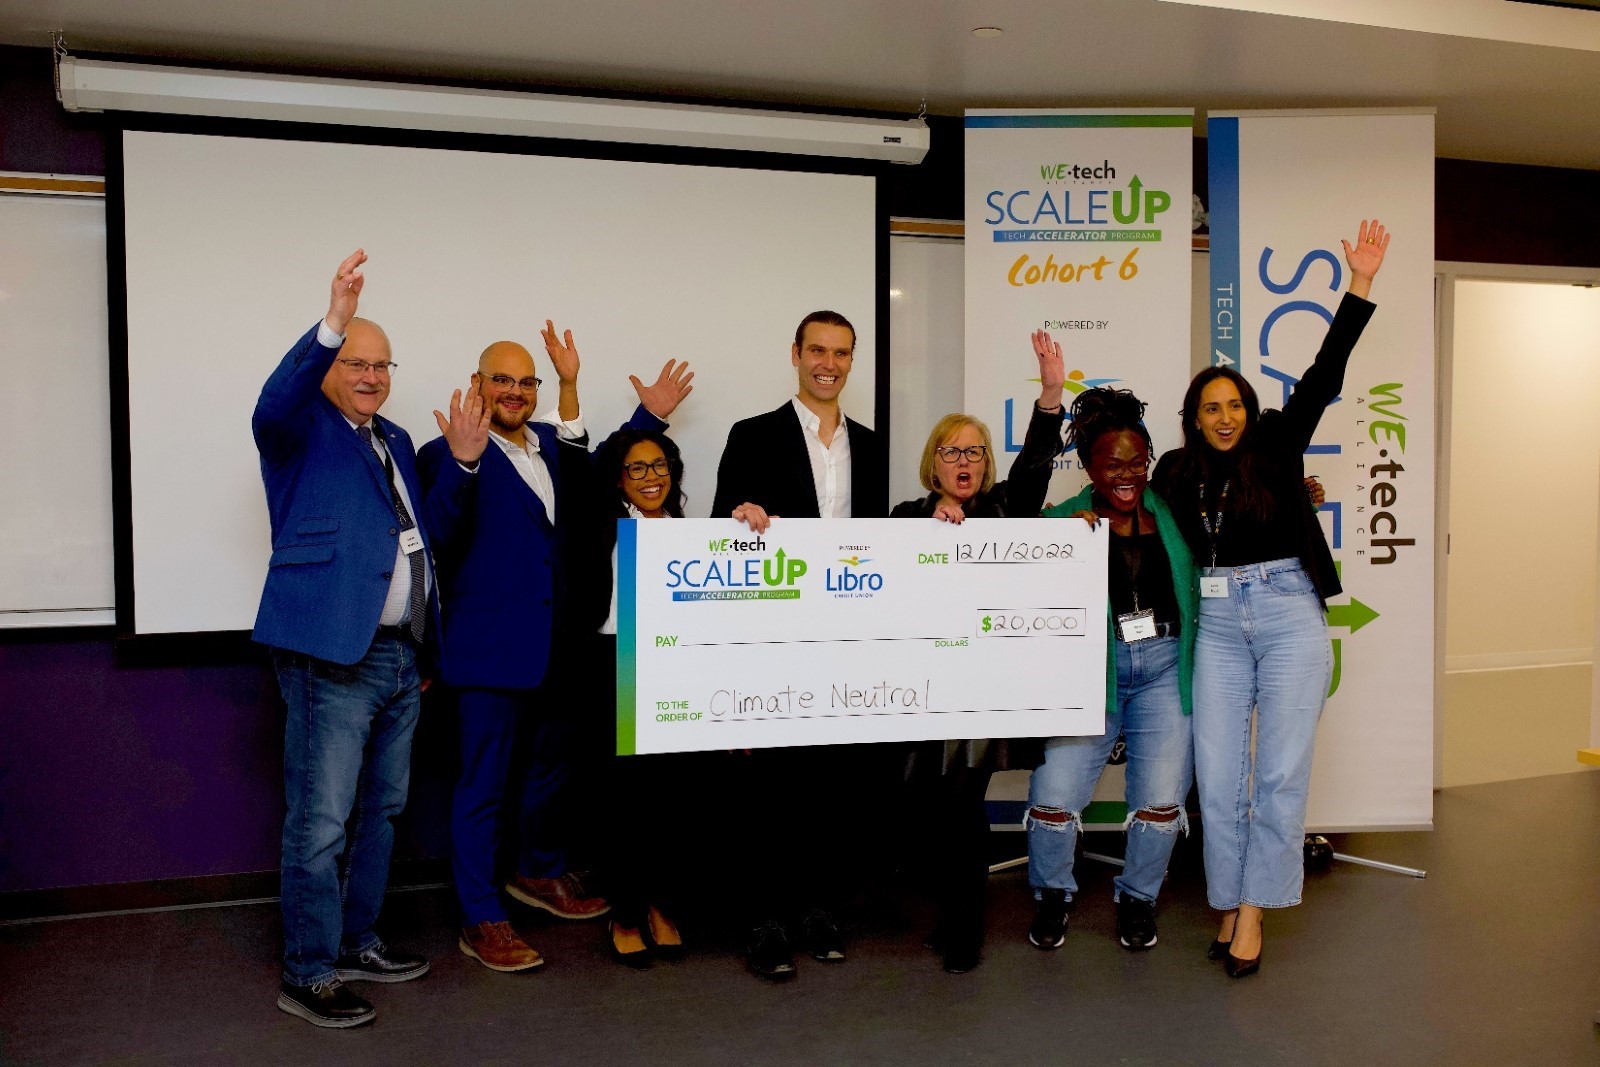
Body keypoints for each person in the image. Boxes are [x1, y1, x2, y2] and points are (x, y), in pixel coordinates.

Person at [1152, 219, 1390, 978]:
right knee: (1218, 777)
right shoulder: (1174, 472)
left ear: (1249, 411)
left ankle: (1251, 911)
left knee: (1281, 771)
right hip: (1219, 622)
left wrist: (1358, 285)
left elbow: (1324, 371)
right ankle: (1230, 896)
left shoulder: (1279, 446)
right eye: (1211, 408)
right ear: (1194, 416)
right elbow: (1129, 509)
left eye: (1235, 405)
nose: (1224, 417)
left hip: (1288, 612)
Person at [415, 324, 690, 972]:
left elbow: (600, 474)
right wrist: (461, 462)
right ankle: (482, 915)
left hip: (558, 652)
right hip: (486, 654)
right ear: (477, 384)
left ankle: (537, 874)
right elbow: (438, 537)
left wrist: (646, 414)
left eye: (526, 381)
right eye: (501, 379)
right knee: (482, 787)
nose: (514, 391)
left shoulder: (545, 447)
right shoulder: (448, 450)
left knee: (549, 773)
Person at [253, 249, 431, 1028]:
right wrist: (331, 319)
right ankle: (309, 969)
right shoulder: (295, 429)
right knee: (321, 820)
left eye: (381, 364)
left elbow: (413, 541)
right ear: (331, 367)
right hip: (330, 654)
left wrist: (422, 639)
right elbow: (275, 395)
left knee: (382, 811)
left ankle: (358, 940)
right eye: (356, 361)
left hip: (399, 655)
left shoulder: (393, 437)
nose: (371, 375)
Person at [709, 309, 887, 980]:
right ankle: (765, 920)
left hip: (843, 637)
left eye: (841, 352)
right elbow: (723, 526)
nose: (829, 362)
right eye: (818, 349)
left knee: (827, 780)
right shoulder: (751, 435)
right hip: (772, 635)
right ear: (795, 354)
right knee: (767, 783)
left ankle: (815, 909)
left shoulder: (869, 444)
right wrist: (739, 517)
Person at [889, 332, 1065, 972]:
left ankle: (964, 928)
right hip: (917, 693)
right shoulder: (906, 516)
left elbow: (1038, 465)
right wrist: (933, 516)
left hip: (979, 693)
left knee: (963, 804)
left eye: (975, 451)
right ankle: (950, 914)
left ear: (986, 463)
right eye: (951, 451)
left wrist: (1050, 395)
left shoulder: (1003, 510)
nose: (963, 461)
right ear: (932, 462)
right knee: (928, 806)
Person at [1024, 383, 1198, 955]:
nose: (1127, 473)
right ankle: (1052, 894)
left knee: (1162, 798)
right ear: (1090, 467)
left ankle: (1138, 899)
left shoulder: (1169, 513)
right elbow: (1003, 545)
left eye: (1136, 461)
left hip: (1163, 667)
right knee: (1053, 797)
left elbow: (1230, 507)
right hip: (1091, 674)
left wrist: (1298, 491)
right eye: (1112, 463)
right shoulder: (1064, 522)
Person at [582, 425, 693, 966]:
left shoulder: (687, 530)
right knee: (624, 797)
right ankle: (625, 912)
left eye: (660, 466)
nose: (652, 478)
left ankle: (660, 904)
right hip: (617, 664)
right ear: (620, 478)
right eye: (638, 468)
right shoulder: (604, 524)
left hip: (673, 664)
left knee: (669, 795)